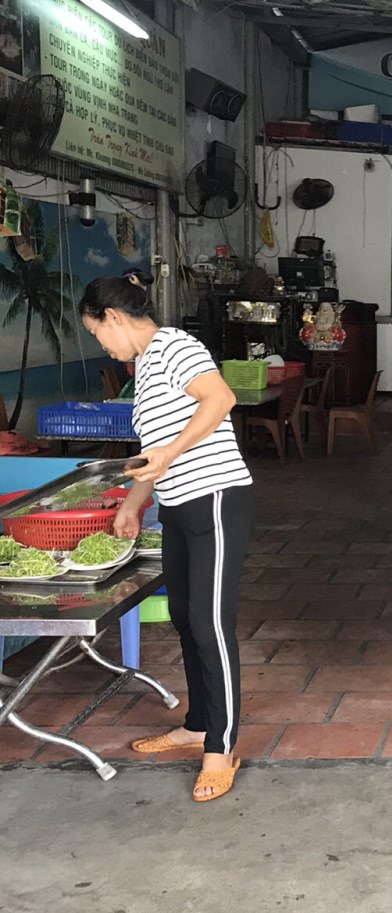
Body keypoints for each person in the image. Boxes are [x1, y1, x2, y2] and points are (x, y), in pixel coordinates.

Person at [79, 275, 254, 803]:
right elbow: (154, 454)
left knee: (210, 623)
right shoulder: (146, 367)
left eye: (97, 333)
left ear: (113, 317)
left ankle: (221, 746)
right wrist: (133, 504)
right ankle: (198, 724)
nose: (101, 345)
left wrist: (171, 453)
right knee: (185, 615)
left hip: (216, 498)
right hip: (178, 506)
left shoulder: (174, 345)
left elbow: (219, 399)